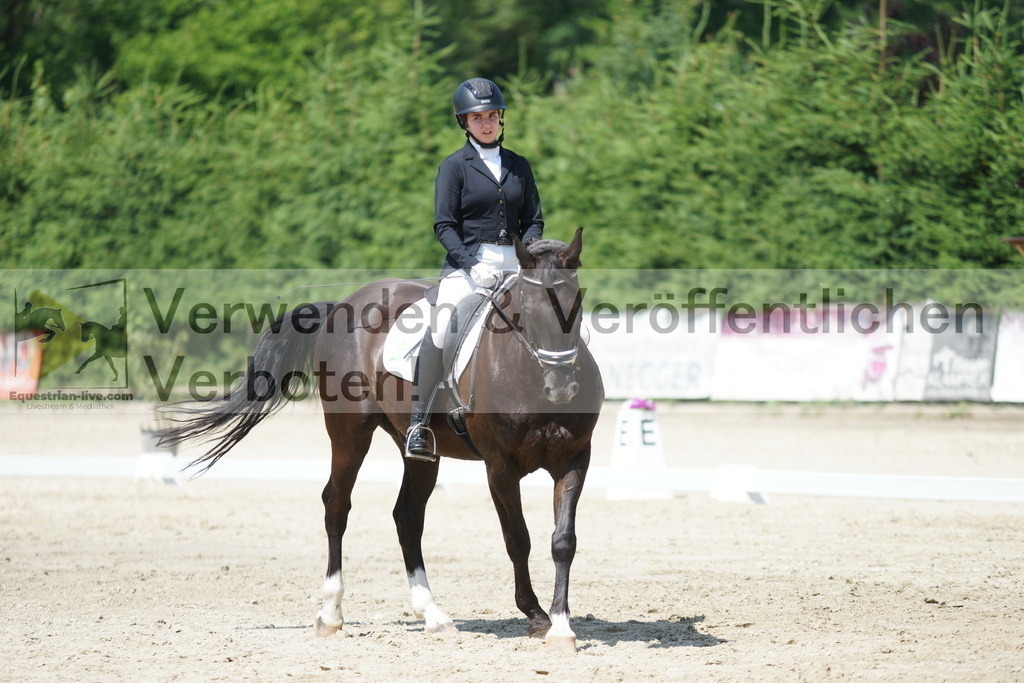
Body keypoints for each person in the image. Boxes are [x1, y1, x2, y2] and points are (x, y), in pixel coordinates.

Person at [405, 77, 544, 461]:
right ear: (464, 122)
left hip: (516, 263)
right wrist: (471, 265)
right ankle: (418, 423)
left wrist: (527, 253)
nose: (486, 123)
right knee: (442, 324)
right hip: (467, 265)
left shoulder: (518, 165)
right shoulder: (454, 167)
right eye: (477, 117)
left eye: (492, 116)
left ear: (501, 119)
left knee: (553, 314)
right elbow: (443, 226)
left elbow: (534, 220)